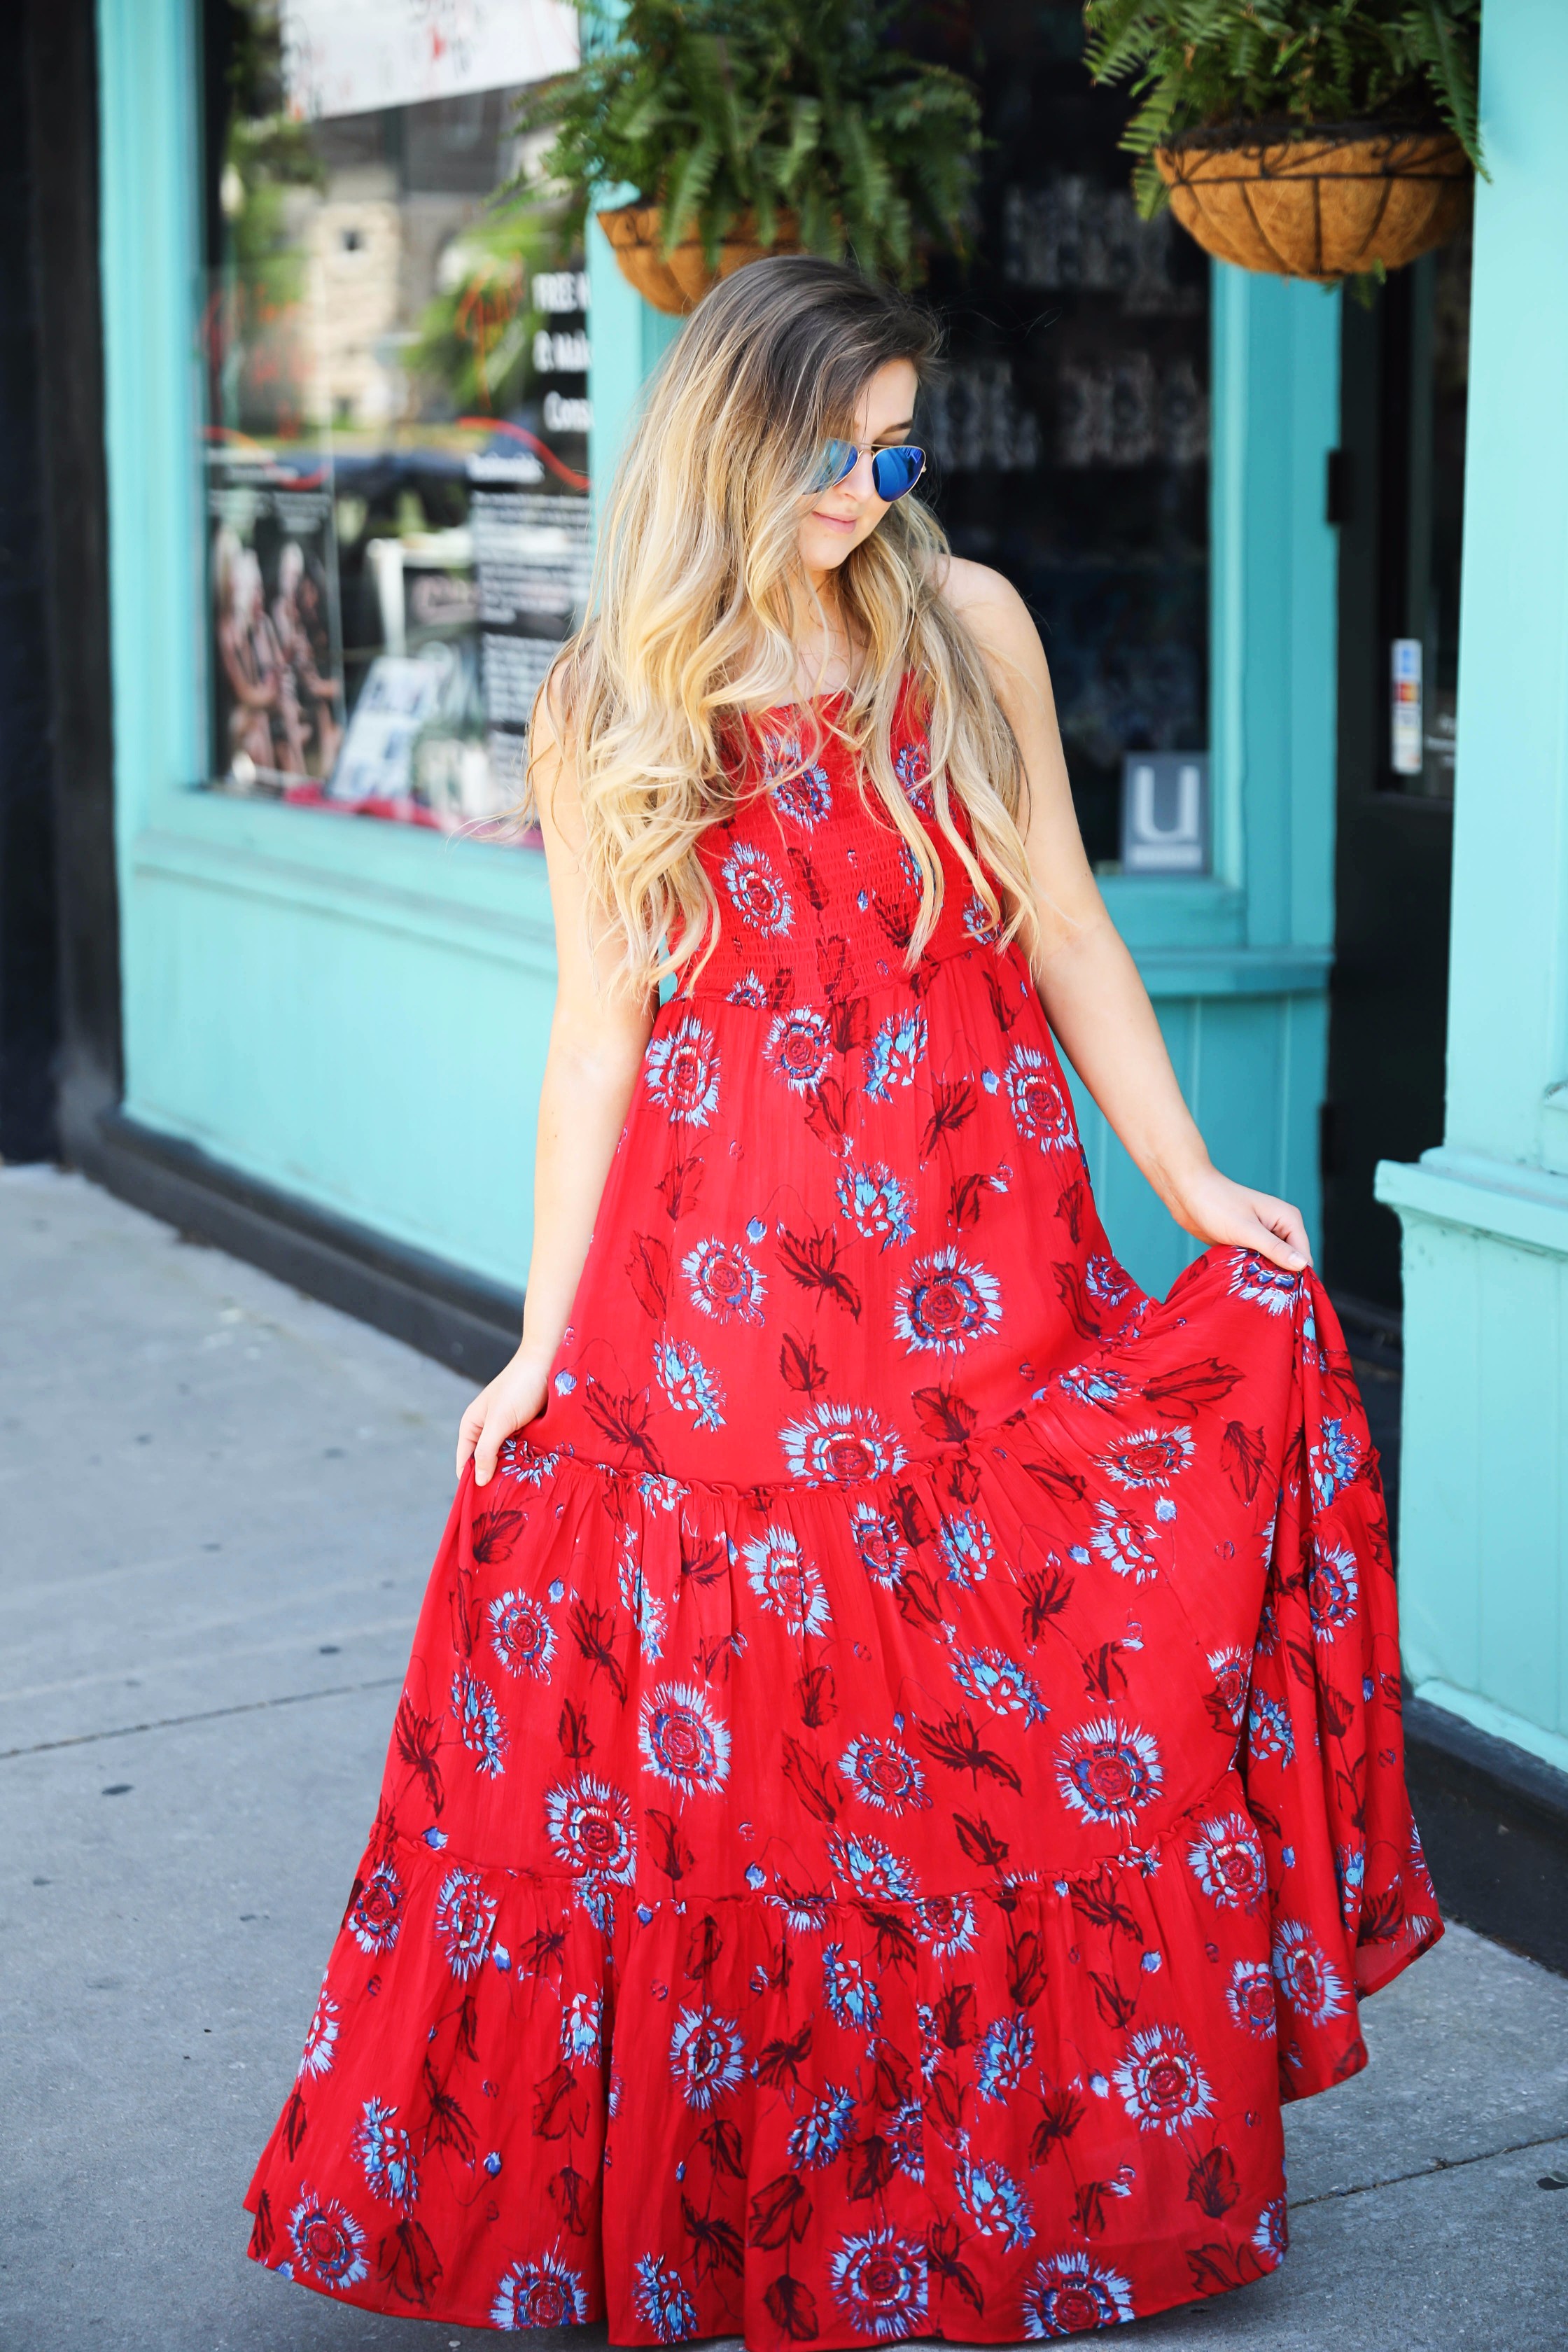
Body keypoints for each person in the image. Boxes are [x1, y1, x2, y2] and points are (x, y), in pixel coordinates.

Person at [244, 258, 1440, 2344]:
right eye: (833, 450)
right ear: (727, 437)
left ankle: (1011, 2195)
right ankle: (768, 2212)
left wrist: (1186, 1180)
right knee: (760, 1784)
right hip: (715, 1314)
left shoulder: (964, 627)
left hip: (981, 1268)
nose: (869, 493)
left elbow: (1064, 918)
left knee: (996, 1732)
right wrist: (540, 1341)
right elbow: (595, 1042)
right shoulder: (612, 695)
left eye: (902, 447)